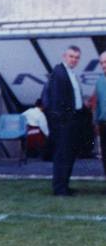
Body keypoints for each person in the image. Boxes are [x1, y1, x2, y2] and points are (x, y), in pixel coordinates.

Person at [42, 45, 84, 195]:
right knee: (62, 155)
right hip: (64, 123)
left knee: (68, 155)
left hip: (73, 120)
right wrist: (61, 121)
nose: (74, 60)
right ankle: (60, 188)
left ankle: (64, 185)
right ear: (64, 56)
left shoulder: (70, 73)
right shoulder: (59, 73)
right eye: (71, 56)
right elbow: (54, 101)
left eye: (77, 57)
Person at [92, 51, 106, 176]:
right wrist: (96, 122)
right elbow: (97, 104)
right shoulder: (99, 81)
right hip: (103, 124)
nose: (104, 65)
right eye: (102, 62)